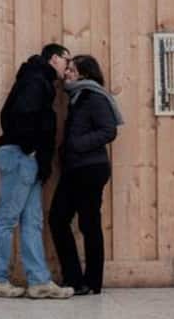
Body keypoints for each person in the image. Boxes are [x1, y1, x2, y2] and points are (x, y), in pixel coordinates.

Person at [0, 43, 75, 300]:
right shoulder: (35, 79)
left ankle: (39, 281)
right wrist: (30, 148)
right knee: (7, 220)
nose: (68, 67)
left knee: (32, 222)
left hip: (29, 161)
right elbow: (17, 116)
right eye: (67, 61)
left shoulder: (38, 80)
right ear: (55, 58)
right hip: (21, 157)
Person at [48, 54, 123, 296]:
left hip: (90, 168)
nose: (67, 73)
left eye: (71, 70)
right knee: (61, 220)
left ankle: (90, 282)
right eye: (67, 69)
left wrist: (77, 144)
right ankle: (77, 280)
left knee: (87, 224)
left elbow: (108, 131)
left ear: (85, 74)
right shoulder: (77, 97)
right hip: (77, 168)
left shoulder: (93, 97)